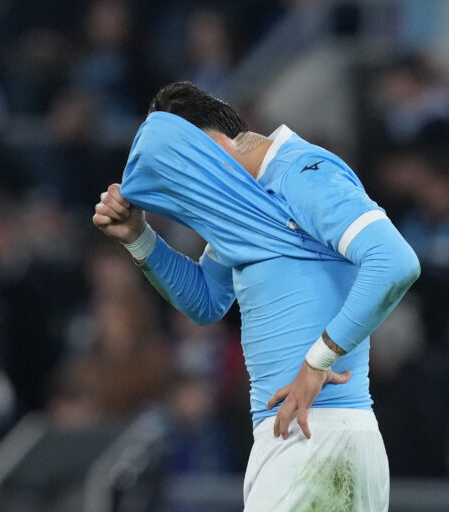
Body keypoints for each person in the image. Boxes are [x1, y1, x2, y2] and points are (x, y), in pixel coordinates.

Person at [93, 81, 420, 511]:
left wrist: (317, 360)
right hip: (297, 439)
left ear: (209, 147)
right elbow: (207, 302)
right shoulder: (248, 208)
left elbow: (394, 260)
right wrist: (138, 238)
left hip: (318, 437)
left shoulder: (303, 171)